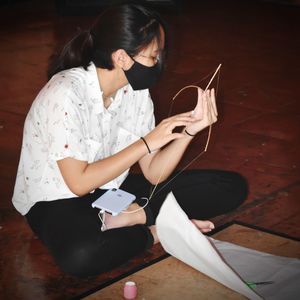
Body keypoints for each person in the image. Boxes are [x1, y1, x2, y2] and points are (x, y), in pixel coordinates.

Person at [12, 3, 247, 278]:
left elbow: (153, 171)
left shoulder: (134, 92)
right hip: (57, 200)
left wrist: (188, 133)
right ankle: (155, 231)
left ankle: (133, 218)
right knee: (82, 256)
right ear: (122, 58)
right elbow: (78, 184)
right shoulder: (65, 93)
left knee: (229, 187)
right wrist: (146, 143)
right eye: (153, 57)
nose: (159, 64)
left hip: (111, 191)